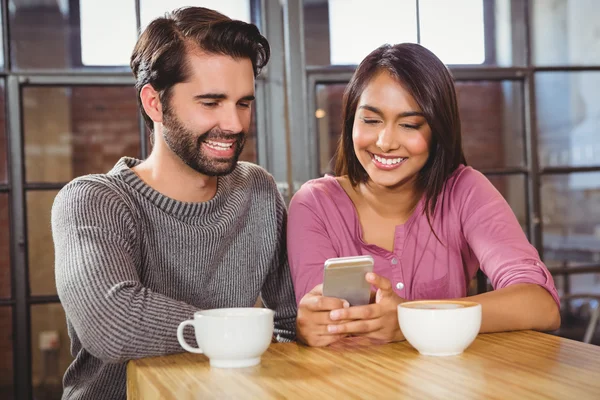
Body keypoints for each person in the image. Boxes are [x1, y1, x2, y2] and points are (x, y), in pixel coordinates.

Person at [52, 7, 296, 399]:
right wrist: (243, 333)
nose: (234, 123)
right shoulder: (94, 200)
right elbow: (111, 324)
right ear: (154, 104)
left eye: (243, 103)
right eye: (211, 102)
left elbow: (294, 323)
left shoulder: (259, 191)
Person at [288, 43, 560, 347]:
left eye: (409, 124)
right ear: (351, 120)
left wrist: (409, 317)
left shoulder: (464, 191)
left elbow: (540, 305)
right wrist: (310, 326)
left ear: (438, 130)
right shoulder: (314, 205)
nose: (385, 142)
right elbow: (326, 331)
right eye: (371, 120)